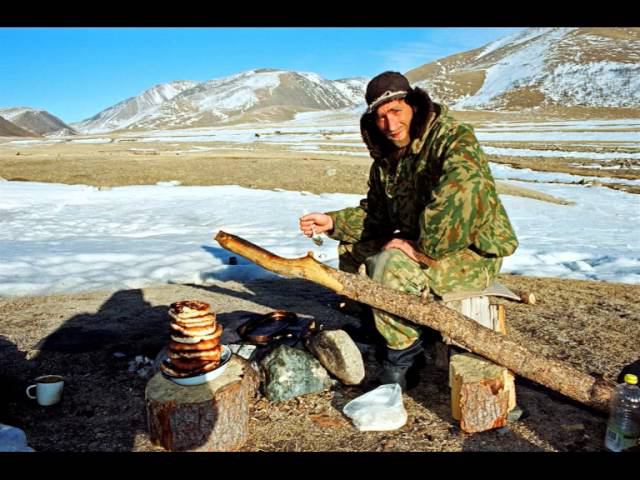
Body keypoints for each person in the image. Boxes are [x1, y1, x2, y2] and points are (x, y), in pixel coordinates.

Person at [299, 71, 519, 390]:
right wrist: (333, 222)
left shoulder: (453, 138)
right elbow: (376, 215)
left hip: (472, 253)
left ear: (413, 106)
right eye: (380, 117)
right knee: (352, 250)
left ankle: (403, 355)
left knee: (389, 265)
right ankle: (377, 324)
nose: (390, 124)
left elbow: (460, 197)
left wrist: (420, 249)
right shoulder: (387, 161)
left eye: (396, 111)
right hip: (427, 242)